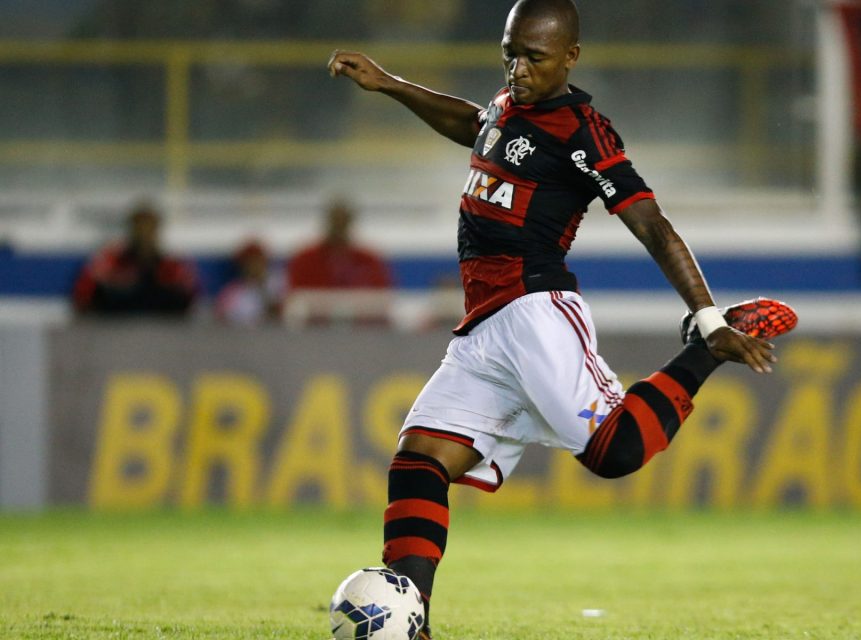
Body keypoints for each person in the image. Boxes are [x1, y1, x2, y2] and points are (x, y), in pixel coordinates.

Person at [328, 1, 797, 637]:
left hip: (533, 312)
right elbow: (477, 124)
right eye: (510, 53)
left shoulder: (583, 130)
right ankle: (414, 626)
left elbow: (650, 223)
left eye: (534, 58)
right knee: (418, 464)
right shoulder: (509, 104)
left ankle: (703, 350)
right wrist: (389, 84)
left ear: (570, 57)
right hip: (484, 326)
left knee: (614, 453)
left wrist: (708, 317)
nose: (518, 69)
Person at [73, 202, 199, 317]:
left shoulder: (173, 267)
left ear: (156, 230)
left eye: (149, 228)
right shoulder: (110, 264)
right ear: (131, 229)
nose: (144, 233)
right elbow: (84, 296)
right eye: (139, 227)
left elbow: (190, 297)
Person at [287, 201, 393, 291]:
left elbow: (381, 296)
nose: (338, 227)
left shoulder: (369, 261)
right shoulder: (305, 260)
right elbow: (293, 295)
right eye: (335, 221)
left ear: (349, 223)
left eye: (342, 222)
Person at [215, 239, 285, 326]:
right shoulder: (232, 292)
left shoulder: (279, 282)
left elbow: (280, 314)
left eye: (257, 260)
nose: (253, 266)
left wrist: (262, 286)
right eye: (249, 262)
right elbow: (222, 320)